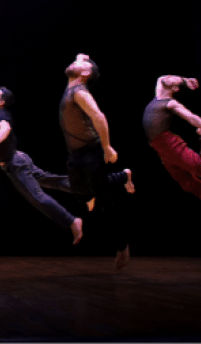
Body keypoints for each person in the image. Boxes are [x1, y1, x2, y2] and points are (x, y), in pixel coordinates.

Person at [0, 51, 88, 244]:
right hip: (19, 158)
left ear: (1, 102)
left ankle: (73, 221)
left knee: (37, 197)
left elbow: (6, 128)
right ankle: (88, 191)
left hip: (15, 162)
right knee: (51, 181)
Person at [59, 53, 135, 269]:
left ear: (85, 74)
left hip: (91, 151)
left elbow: (99, 116)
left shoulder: (80, 92)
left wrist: (107, 147)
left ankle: (122, 246)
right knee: (79, 192)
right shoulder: (73, 84)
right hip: (75, 154)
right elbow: (80, 60)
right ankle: (122, 176)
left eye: (79, 63)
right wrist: (82, 57)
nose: (74, 62)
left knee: (105, 201)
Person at [143, 75, 201, 231]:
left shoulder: (170, 103)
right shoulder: (158, 93)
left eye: (174, 80)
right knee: (186, 183)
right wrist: (184, 80)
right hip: (160, 148)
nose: (170, 77)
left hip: (168, 143)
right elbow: (162, 77)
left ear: (175, 89)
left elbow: (191, 117)